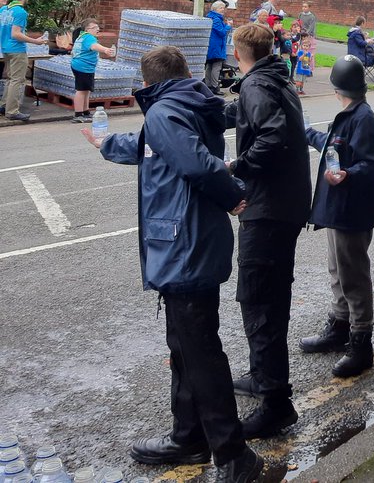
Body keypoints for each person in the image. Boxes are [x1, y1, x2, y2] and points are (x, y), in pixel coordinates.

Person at [83, 45, 263, 482]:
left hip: (183, 247)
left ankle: (235, 455)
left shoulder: (164, 112)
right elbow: (150, 148)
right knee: (184, 348)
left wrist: (234, 194)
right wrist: (107, 144)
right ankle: (189, 436)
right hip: (191, 242)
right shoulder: (189, 105)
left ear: (149, 84)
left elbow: (196, 164)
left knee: (200, 354)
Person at [223, 23, 312, 439]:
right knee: (268, 297)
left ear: (238, 49)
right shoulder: (276, 79)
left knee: (260, 301)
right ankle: (262, 377)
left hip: (270, 210)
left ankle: (276, 403)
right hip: (285, 205)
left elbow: (272, 136)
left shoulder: (256, 86)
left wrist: (237, 167)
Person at [299, 55, 374, 378]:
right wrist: (308, 134)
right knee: (338, 270)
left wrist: (347, 174)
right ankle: (339, 326)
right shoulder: (349, 113)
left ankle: (361, 341)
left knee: (353, 275)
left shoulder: (364, 118)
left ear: (337, 89)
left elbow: (369, 162)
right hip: (338, 210)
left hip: (353, 211)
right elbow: (333, 146)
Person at [2, 0, 48, 122]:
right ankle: (12, 111)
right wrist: (36, 42)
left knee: (10, 79)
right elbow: (16, 34)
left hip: (5, 48)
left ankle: (4, 105)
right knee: (17, 80)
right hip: (17, 49)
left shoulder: (5, 9)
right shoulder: (20, 12)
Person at [70, 17, 116, 121]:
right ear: (87, 29)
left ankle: (85, 112)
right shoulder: (88, 37)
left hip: (82, 66)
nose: (97, 29)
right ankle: (78, 114)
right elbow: (94, 46)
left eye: (97, 27)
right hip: (83, 67)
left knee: (86, 90)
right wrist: (106, 50)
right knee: (81, 90)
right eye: (94, 27)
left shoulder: (82, 36)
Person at [204, 1, 233, 95]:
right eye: (221, 8)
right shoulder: (216, 19)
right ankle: (214, 86)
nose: (223, 10)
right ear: (215, 9)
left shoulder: (211, 18)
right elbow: (221, 32)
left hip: (211, 46)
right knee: (216, 67)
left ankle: (208, 85)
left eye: (223, 8)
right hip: (217, 47)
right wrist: (228, 26)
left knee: (209, 66)